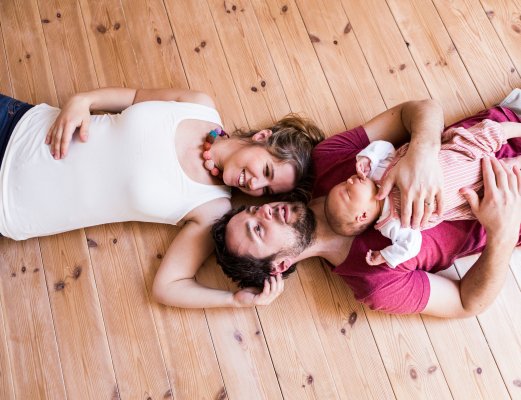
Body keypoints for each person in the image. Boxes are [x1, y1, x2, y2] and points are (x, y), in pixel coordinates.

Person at [212, 54, 521, 318]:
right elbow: (467, 304)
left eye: (250, 211)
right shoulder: (374, 282)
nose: (262, 211)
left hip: (518, 121)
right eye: (258, 229)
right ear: (280, 266)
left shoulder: (329, 161)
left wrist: (424, 151)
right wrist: (503, 232)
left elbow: (415, 110)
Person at [0, 87, 325, 308]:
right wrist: (83, 99)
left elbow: (167, 286)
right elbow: (133, 96)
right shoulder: (199, 104)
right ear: (262, 138)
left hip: (10, 205)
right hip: (17, 124)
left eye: (266, 191)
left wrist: (234, 301)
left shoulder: (211, 208)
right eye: (266, 171)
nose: (255, 184)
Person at [324, 120, 521, 268]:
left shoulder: (375, 171)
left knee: (489, 130)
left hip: (457, 154)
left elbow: (385, 148)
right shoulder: (390, 224)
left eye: (345, 182)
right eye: (347, 191)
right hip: (465, 192)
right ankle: (508, 164)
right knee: (492, 190)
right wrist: (386, 255)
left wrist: (367, 157)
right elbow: (411, 245)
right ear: (362, 216)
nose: (350, 180)